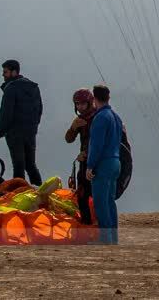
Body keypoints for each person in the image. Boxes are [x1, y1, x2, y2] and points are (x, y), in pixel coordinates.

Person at [85, 84, 123, 245]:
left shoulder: (100, 117)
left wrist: (90, 165)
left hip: (104, 163)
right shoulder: (115, 116)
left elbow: (96, 145)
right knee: (109, 201)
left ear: (94, 99)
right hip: (116, 161)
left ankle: (105, 239)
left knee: (100, 203)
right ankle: (113, 238)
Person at [0, 59, 43, 185]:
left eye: (5, 72)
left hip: (15, 133)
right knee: (31, 165)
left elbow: (6, 113)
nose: (3, 75)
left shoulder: (10, 88)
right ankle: (41, 192)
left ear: (14, 72)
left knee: (18, 165)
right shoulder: (33, 87)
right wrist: (34, 126)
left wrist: (1, 131)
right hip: (30, 132)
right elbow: (39, 109)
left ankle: (19, 194)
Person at [65, 89, 97, 224]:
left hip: (97, 161)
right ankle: (86, 222)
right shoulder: (80, 120)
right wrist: (73, 127)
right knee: (82, 194)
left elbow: (99, 141)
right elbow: (68, 139)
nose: (80, 107)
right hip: (84, 162)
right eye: (77, 104)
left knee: (97, 193)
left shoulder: (98, 117)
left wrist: (87, 153)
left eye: (83, 104)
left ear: (89, 103)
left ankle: (98, 223)